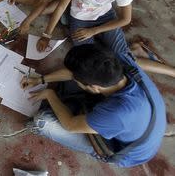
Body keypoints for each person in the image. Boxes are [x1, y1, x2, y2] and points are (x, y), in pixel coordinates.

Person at [23, 44, 166, 168]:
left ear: (95, 87)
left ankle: (97, 149)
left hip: (121, 149)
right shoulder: (117, 61)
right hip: (142, 121)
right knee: (72, 87)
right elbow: (74, 73)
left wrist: (50, 94)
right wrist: (40, 80)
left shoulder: (116, 113)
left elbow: (70, 125)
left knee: (43, 121)